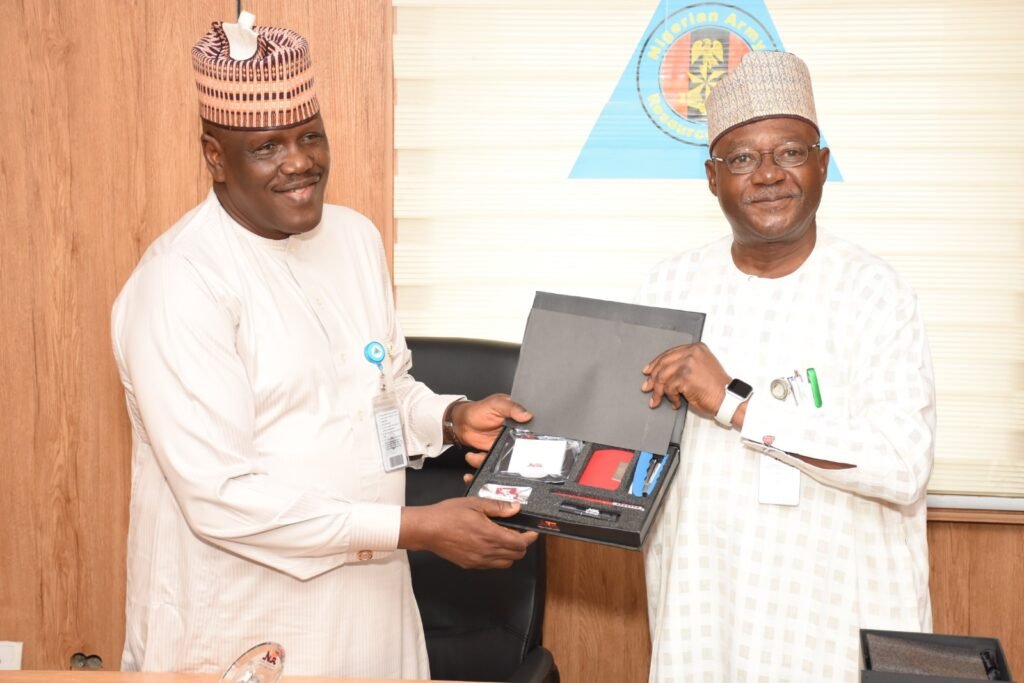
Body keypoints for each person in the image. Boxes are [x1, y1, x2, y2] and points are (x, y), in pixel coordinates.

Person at [111, 14, 537, 678]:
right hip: (243, 618)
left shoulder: (354, 239)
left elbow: (382, 390)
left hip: (370, 610)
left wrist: (451, 418)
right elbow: (221, 496)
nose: (300, 161)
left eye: (310, 135)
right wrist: (416, 528)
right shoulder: (181, 281)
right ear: (215, 156)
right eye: (267, 146)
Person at [637, 51, 935, 682]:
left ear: (822, 164)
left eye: (790, 153)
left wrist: (735, 404)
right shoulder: (669, 287)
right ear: (712, 177)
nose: (769, 174)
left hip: (836, 617)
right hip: (705, 609)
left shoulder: (874, 291)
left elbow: (902, 464)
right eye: (743, 159)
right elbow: (629, 444)